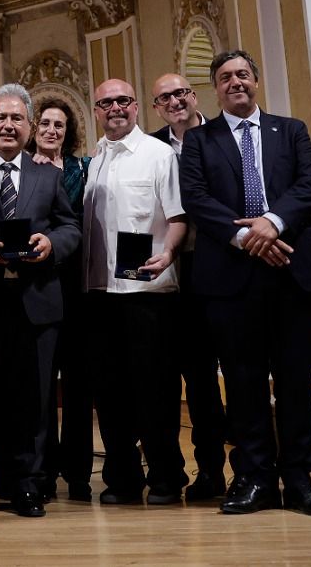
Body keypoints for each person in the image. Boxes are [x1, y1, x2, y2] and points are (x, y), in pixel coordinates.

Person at [178, 51, 311, 518]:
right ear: (215, 89)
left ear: (256, 81)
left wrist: (271, 222)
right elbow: (196, 199)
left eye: (242, 74)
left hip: (291, 271)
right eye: (224, 78)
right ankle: (253, 477)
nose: (235, 82)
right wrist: (247, 235)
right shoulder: (200, 141)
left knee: (295, 381)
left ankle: (299, 480)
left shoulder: (292, 130)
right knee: (243, 383)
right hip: (230, 276)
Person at [0, 84, 81, 517]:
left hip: (37, 302)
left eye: (18, 119)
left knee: (34, 400)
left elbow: (71, 227)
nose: (9, 125)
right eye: (1, 118)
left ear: (29, 127)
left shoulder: (47, 176)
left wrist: (52, 242)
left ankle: (29, 484)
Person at [83, 78, 188, 506]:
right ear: (96, 111)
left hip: (147, 291)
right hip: (100, 293)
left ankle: (166, 476)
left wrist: (167, 254)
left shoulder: (159, 155)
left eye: (123, 100)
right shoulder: (95, 160)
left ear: (136, 107)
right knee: (110, 394)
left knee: (155, 391)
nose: (115, 109)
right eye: (106, 103)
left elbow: (178, 216)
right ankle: (122, 478)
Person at [148, 73, 227, 502]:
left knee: (204, 381)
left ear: (194, 96)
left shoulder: (221, 137)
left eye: (181, 93)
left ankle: (213, 471)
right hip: (165, 274)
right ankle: (168, 471)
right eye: (165, 98)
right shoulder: (151, 147)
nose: (175, 101)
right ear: (156, 108)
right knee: (166, 377)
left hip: (214, 267)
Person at [29, 95, 91, 500]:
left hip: (78, 283)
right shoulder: (22, 168)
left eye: (60, 126)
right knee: (40, 385)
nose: (52, 131)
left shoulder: (81, 170)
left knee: (79, 383)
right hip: (37, 285)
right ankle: (44, 469)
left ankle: (80, 472)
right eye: (47, 123)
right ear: (35, 128)